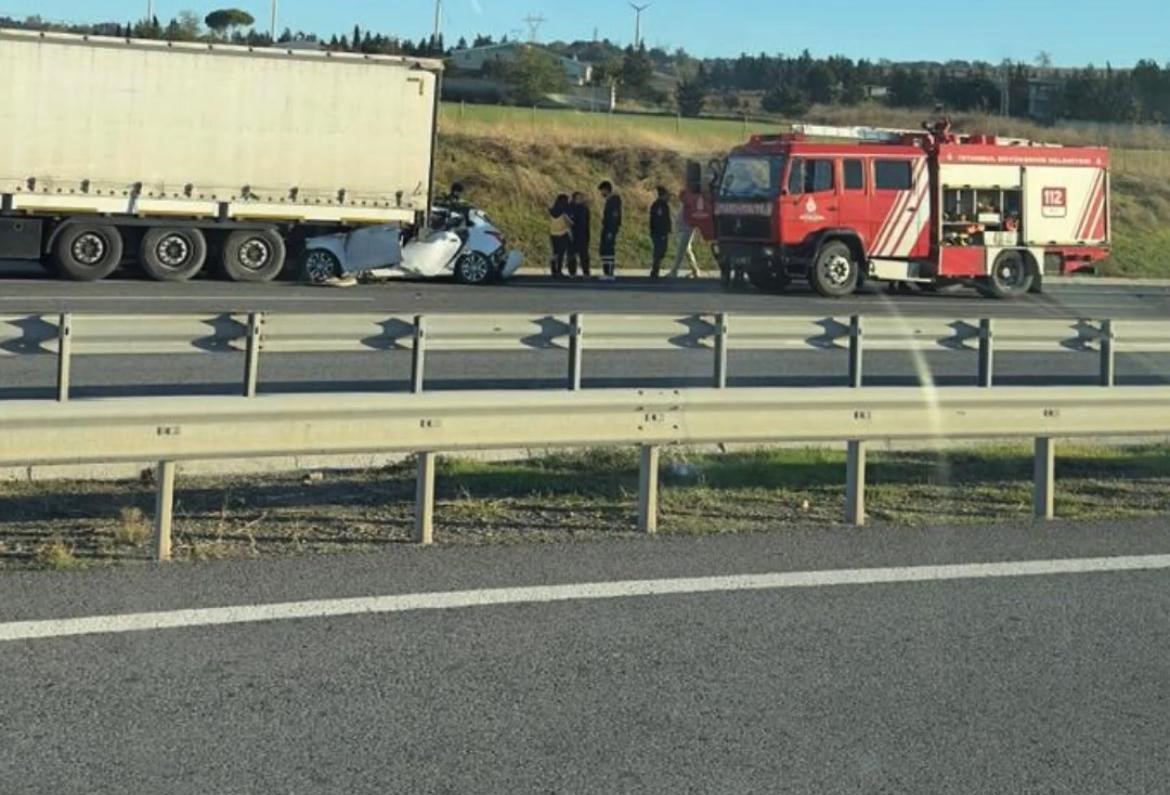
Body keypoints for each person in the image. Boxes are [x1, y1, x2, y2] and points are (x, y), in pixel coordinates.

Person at [668, 188, 704, 279]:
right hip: (682, 230)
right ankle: (695, 271)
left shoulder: (689, 207)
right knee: (687, 251)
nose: (680, 198)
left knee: (680, 252)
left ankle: (674, 271)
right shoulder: (684, 206)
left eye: (682, 196)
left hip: (686, 231)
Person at [598, 180, 622, 282]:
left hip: (610, 229)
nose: (601, 193)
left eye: (602, 191)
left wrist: (610, 231)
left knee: (609, 250)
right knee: (604, 250)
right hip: (607, 228)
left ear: (606, 190)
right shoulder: (610, 201)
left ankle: (609, 272)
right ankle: (606, 271)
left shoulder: (614, 201)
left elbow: (613, 217)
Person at [648, 186, 672, 279]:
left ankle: (656, 268)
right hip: (659, 233)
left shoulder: (663, 205)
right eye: (667, 195)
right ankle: (655, 270)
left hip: (661, 232)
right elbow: (660, 220)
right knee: (659, 251)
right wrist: (662, 231)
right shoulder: (659, 205)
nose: (669, 198)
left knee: (662, 251)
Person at [548, 193, 573, 278]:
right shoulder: (564, 213)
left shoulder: (551, 211)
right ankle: (559, 271)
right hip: (563, 234)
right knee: (561, 254)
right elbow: (570, 223)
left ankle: (553, 270)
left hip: (553, 234)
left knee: (555, 253)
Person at [567, 192, 592, 278]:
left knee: (584, 255)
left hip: (583, 235)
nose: (580, 200)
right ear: (574, 199)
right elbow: (568, 222)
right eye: (578, 198)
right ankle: (572, 272)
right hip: (572, 234)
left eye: (581, 198)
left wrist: (587, 235)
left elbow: (587, 222)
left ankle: (586, 272)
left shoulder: (585, 208)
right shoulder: (569, 208)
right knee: (571, 255)